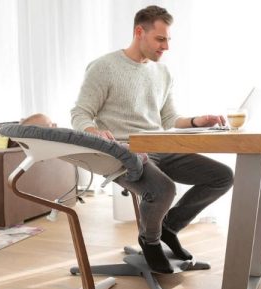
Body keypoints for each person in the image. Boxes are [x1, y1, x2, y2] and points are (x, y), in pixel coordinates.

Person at [71, 5, 233, 274]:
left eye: (169, 39)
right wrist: (94, 132)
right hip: (122, 152)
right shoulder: (104, 67)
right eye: (160, 39)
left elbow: (170, 119)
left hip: (161, 147)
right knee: (163, 189)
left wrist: (197, 121)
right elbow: (80, 113)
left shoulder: (163, 73)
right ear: (139, 32)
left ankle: (167, 227)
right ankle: (150, 240)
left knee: (222, 176)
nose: (166, 46)